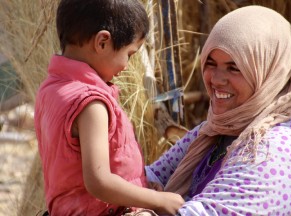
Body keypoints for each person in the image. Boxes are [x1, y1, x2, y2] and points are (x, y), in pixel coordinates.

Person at [145, 5, 291, 215]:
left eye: (234, 68)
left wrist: (148, 205)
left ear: (270, 74)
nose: (216, 79)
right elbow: (148, 178)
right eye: (211, 63)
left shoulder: (273, 151)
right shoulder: (217, 131)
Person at [34, 0, 184, 215]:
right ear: (102, 42)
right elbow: (99, 181)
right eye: (130, 54)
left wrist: (139, 189)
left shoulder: (49, 90)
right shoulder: (91, 103)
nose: (127, 65)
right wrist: (157, 200)